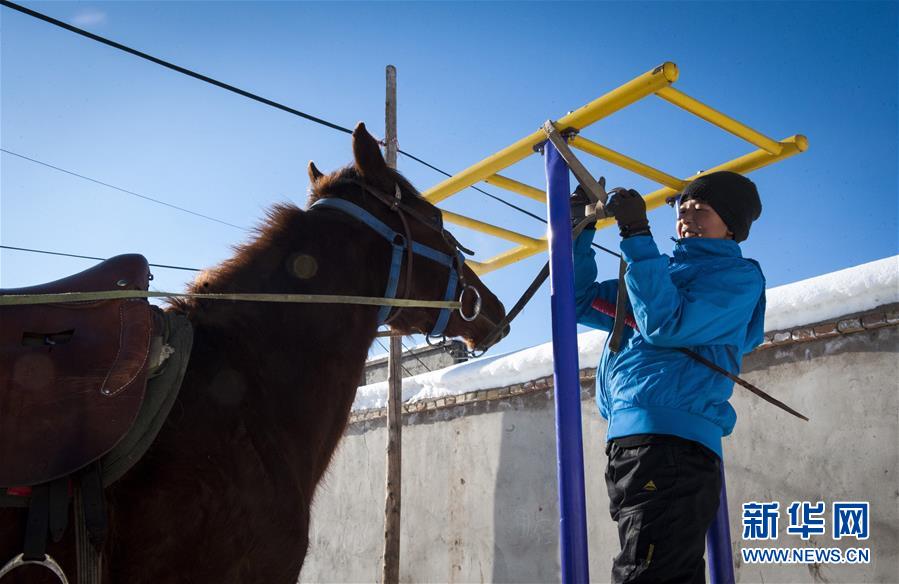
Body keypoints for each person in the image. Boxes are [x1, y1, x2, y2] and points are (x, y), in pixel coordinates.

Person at [571, 171, 766, 583]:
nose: (687, 218)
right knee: (662, 571)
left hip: (672, 445)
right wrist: (579, 231)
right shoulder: (658, 273)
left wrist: (637, 234)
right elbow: (577, 301)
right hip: (630, 442)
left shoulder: (737, 278)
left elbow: (666, 323)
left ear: (731, 225)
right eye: (683, 210)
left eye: (702, 210)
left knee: (647, 574)